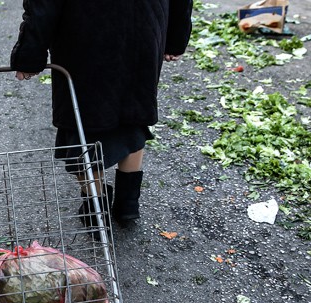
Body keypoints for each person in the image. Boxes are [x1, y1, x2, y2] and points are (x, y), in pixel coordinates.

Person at [10, 0, 194, 227]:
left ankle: (96, 209)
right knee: (133, 111)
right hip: (145, 24)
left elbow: (43, 5)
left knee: (81, 123)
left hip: (85, 34)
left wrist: (29, 54)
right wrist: (176, 36)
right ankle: (128, 206)